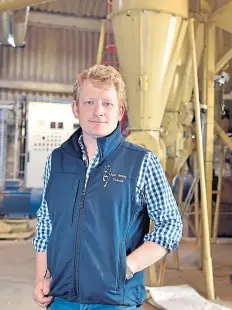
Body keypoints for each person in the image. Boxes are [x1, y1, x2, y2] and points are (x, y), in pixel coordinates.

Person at [31, 64, 183, 309]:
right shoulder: (57, 160)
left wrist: (127, 267)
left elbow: (171, 225)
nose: (98, 111)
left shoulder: (141, 162)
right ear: (75, 108)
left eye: (107, 103)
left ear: (120, 111)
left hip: (114, 301)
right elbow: (46, 224)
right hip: (61, 299)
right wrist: (42, 278)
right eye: (89, 102)